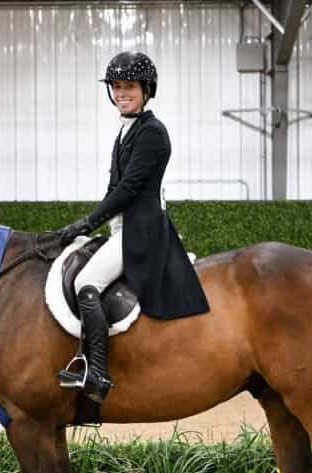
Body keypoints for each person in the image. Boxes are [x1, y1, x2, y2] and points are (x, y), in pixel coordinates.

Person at [55, 51, 210, 402]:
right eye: (118, 86)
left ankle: (97, 373)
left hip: (142, 232)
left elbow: (128, 191)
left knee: (85, 282)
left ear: (146, 90)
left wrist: (88, 220)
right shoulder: (127, 131)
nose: (123, 93)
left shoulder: (152, 133)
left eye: (131, 87)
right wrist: (89, 227)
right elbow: (114, 189)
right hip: (122, 229)